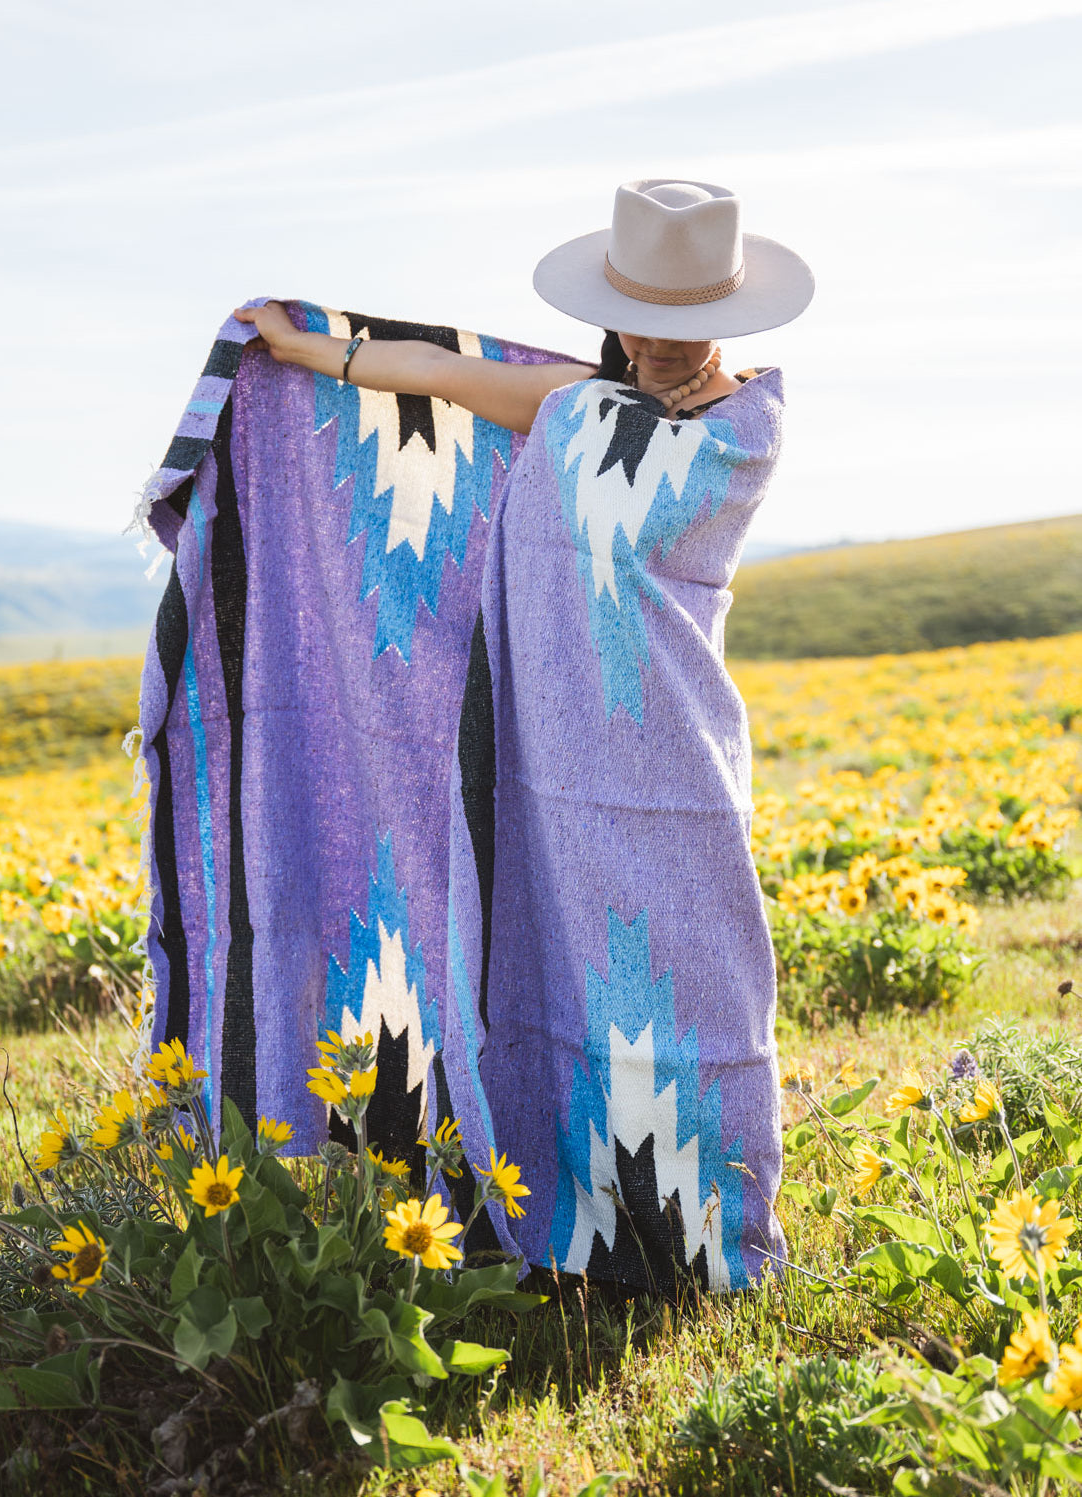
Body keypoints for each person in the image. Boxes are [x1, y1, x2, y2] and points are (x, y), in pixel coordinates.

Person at [163, 179, 813, 1295]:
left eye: (683, 319)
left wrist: (588, 398)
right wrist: (300, 348)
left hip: (673, 760)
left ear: (727, 321)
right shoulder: (568, 406)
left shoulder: (744, 431)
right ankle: (577, 1220)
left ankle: (707, 1241)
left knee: (693, 984)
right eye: (638, 316)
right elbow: (435, 378)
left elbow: (646, 468)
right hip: (542, 761)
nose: (655, 343)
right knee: (545, 969)